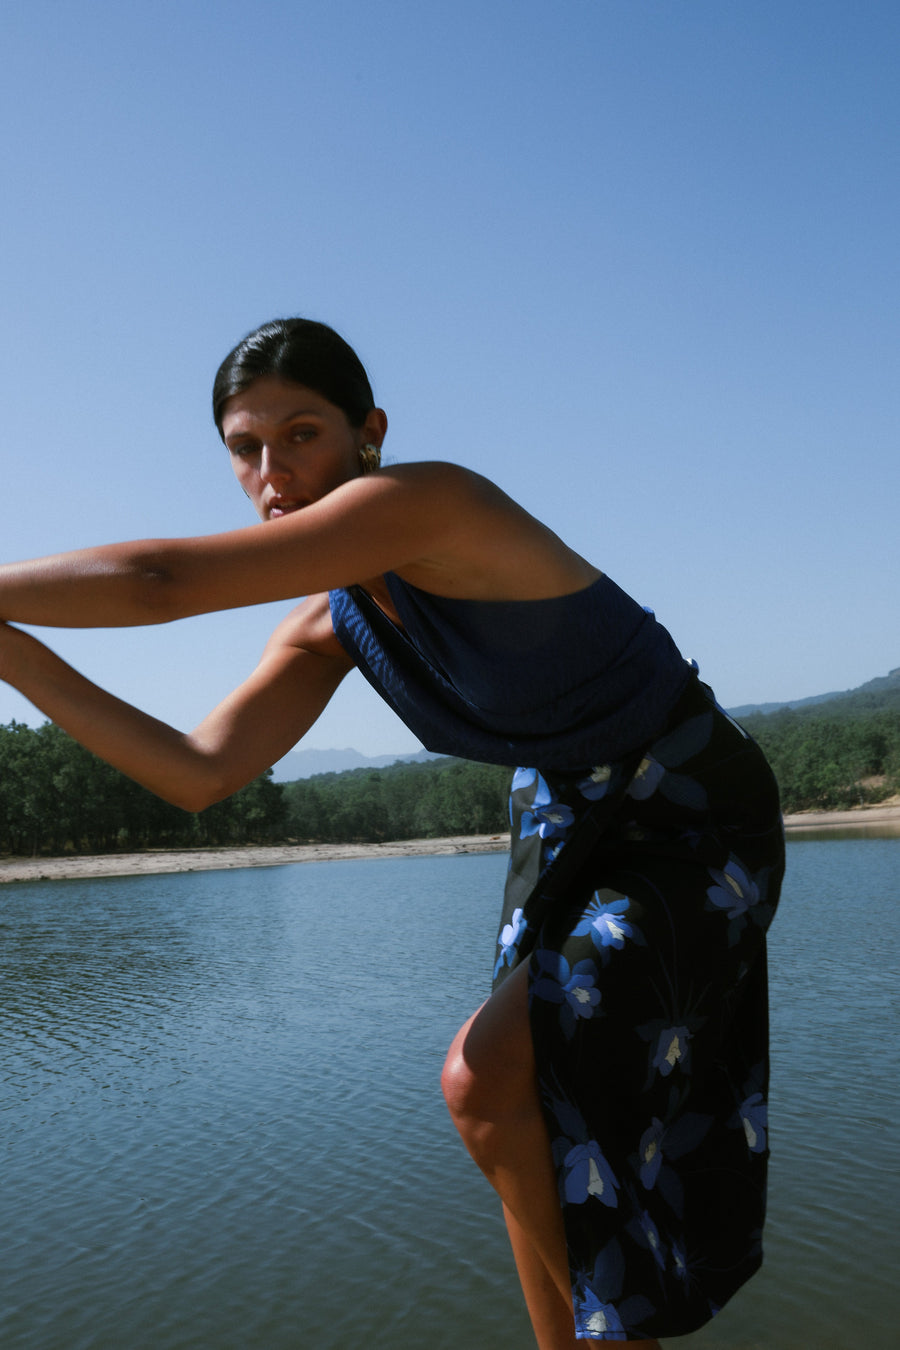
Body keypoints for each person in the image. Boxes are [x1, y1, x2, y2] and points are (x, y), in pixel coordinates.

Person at [0, 318, 784, 1347]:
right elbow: (198, 774)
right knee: (512, 1104)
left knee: (481, 1074)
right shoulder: (332, 622)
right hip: (562, 820)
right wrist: (12, 656)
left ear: (367, 432)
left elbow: (164, 584)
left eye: (303, 434)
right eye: (246, 448)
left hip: (688, 811)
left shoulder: (430, 504)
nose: (274, 470)